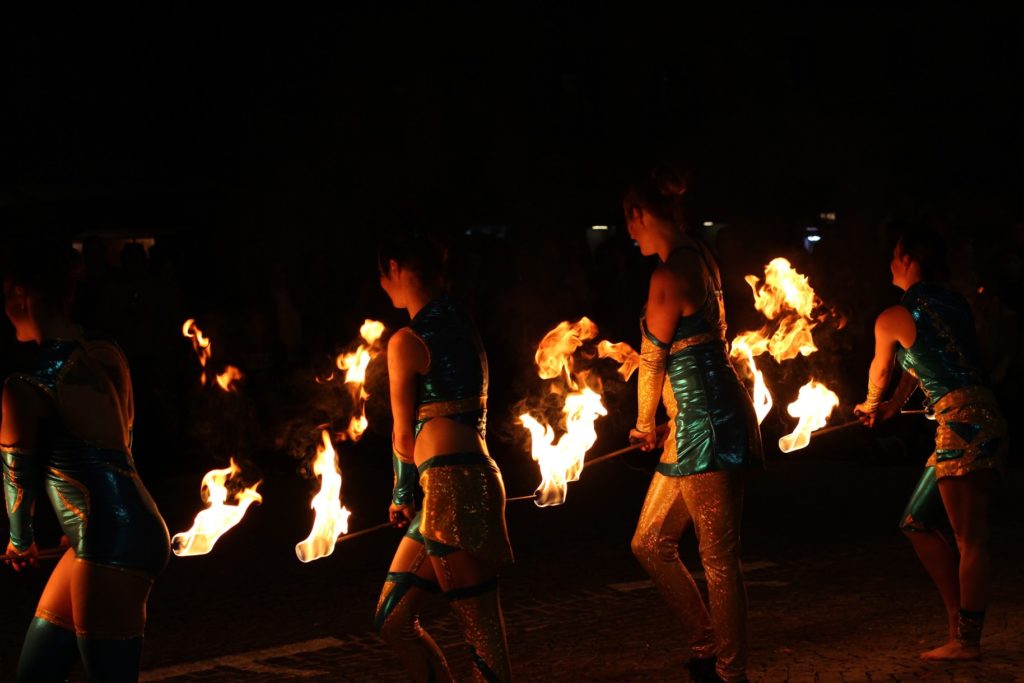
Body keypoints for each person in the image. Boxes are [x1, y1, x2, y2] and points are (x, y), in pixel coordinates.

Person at [2, 238, 170, 682]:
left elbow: (16, 475)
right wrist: (72, 527)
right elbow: (123, 441)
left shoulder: (26, 385)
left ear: (21, 295)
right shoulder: (107, 353)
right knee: (36, 672)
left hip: (108, 542)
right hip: (113, 530)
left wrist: (20, 541)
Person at [624, 165, 762, 683]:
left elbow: (654, 359)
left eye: (629, 223)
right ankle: (707, 643)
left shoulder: (669, 272)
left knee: (718, 556)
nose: (629, 234)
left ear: (639, 214)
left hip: (708, 422)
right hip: (692, 421)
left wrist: (642, 424)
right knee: (649, 542)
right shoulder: (698, 255)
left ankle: (730, 672)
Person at [854, 225, 1007, 662]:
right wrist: (892, 407)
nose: (889, 262)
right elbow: (919, 365)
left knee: (969, 538)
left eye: (893, 254)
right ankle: (958, 625)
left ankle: (967, 642)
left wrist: (869, 404)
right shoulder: (953, 302)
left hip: (963, 427)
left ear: (906, 259)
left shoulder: (892, 316)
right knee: (916, 521)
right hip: (976, 420)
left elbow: (881, 372)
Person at [374, 230, 514, 682]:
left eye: (382, 275)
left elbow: (402, 436)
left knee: (480, 632)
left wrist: (400, 494)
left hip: (452, 486)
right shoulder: (465, 323)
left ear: (395, 267)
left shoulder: (406, 341)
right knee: (393, 619)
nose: (381, 285)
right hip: (458, 481)